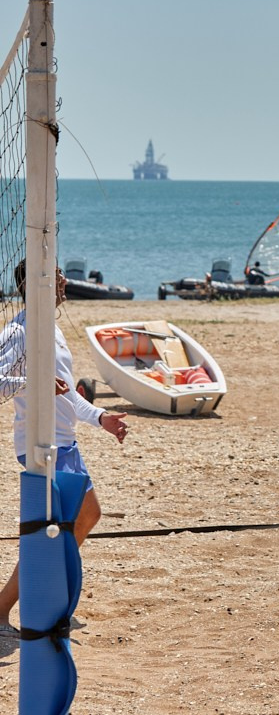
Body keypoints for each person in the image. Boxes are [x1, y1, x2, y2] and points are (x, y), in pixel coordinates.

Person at [0, 260, 130, 635]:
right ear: (37, 284)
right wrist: (34, 379)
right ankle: (11, 604)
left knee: (88, 516)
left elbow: (67, 392)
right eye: (55, 273)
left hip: (65, 443)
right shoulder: (20, 330)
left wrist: (100, 417)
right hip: (39, 444)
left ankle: (38, 592)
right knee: (48, 532)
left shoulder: (51, 328)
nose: (63, 280)